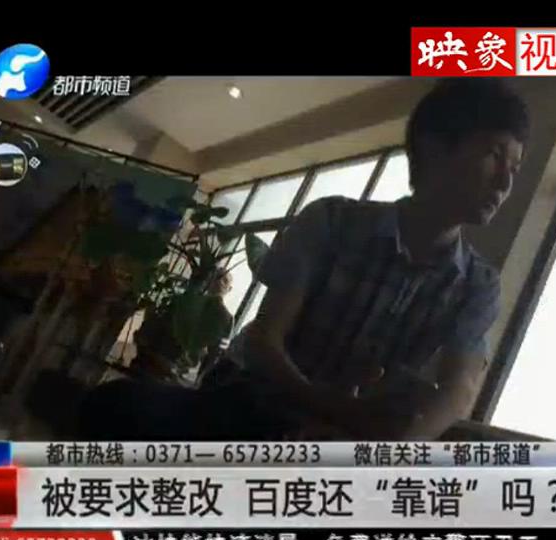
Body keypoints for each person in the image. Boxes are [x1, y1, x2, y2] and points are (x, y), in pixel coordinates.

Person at [203, 78, 529, 440]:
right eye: (495, 156)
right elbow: (263, 341)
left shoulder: (477, 284)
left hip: (335, 434)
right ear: (433, 147)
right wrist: (337, 413)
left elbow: (459, 390)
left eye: (514, 168)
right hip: (245, 401)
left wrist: (391, 452)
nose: (505, 183)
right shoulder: (331, 221)